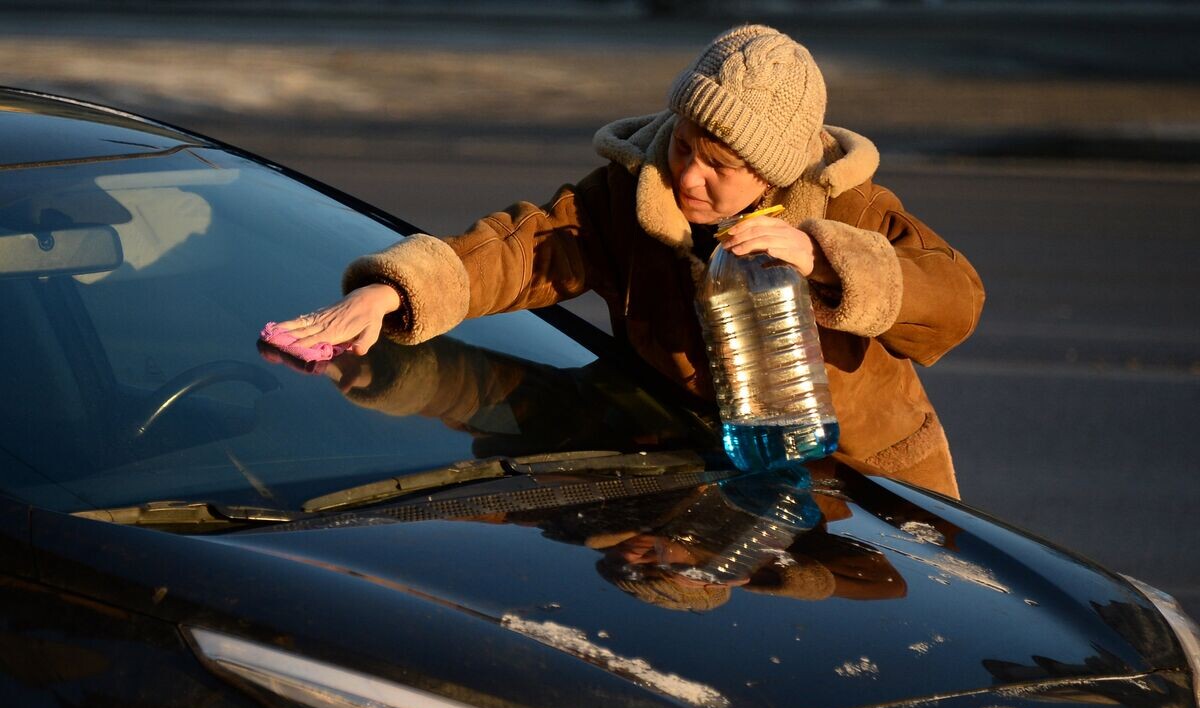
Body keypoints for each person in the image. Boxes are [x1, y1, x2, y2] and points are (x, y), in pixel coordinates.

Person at [273, 24, 985, 498]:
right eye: (683, 146)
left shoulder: (851, 209)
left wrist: (824, 256)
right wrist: (392, 292)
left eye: (720, 167)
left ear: (771, 174)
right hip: (709, 487)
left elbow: (956, 300)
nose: (688, 178)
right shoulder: (628, 201)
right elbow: (522, 247)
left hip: (878, 495)